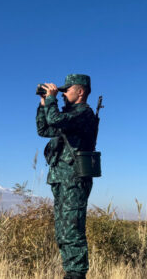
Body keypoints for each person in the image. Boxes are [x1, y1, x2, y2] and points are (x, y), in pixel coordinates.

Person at [36, 74, 98, 279]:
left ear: (80, 92)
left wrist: (51, 100)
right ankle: (70, 272)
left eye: (66, 90)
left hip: (75, 179)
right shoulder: (68, 118)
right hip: (61, 179)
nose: (62, 94)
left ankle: (76, 274)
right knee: (62, 231)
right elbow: (44, 129)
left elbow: (55, 119)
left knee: (73, 229)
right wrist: (43, 104)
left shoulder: (83, 114)